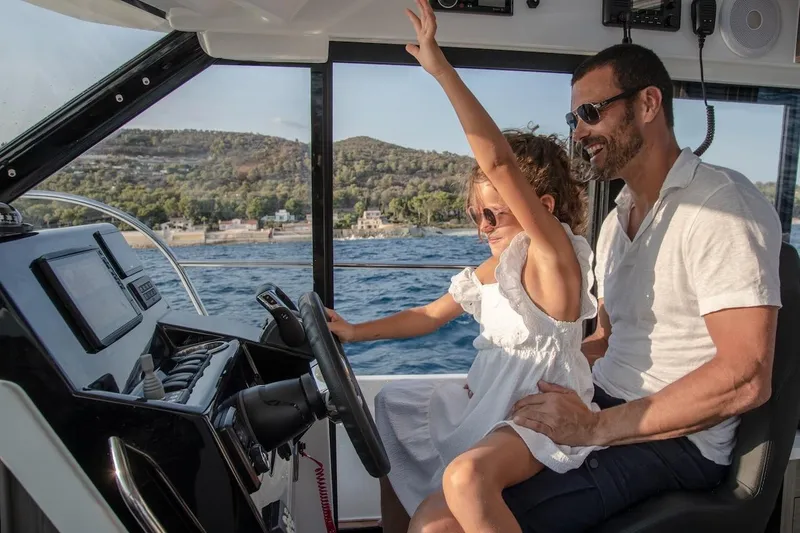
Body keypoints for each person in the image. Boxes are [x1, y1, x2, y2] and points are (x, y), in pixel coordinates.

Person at [407, 15, 784, 533]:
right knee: (432, 511)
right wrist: (514, 376)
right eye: (573, 119)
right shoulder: (615, 222)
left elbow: (745, 376)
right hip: (601, 402)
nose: (579, 131)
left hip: (674, 442)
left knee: (445, 525)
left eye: (590, 112)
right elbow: (605, 337)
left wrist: (596, 428)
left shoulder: (721, 207)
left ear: (648, 104)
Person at [325, 2, 602, 531]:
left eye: (493, 212)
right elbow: (430, 316)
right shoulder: (494, 270)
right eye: (475, 215)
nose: (482, 226)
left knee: (467, 478)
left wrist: (441, 70)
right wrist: (354, 332)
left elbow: (497, 160)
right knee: (392, 409)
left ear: (539, 207)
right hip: (485, 399)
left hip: (532, 415)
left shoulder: (555, 259)